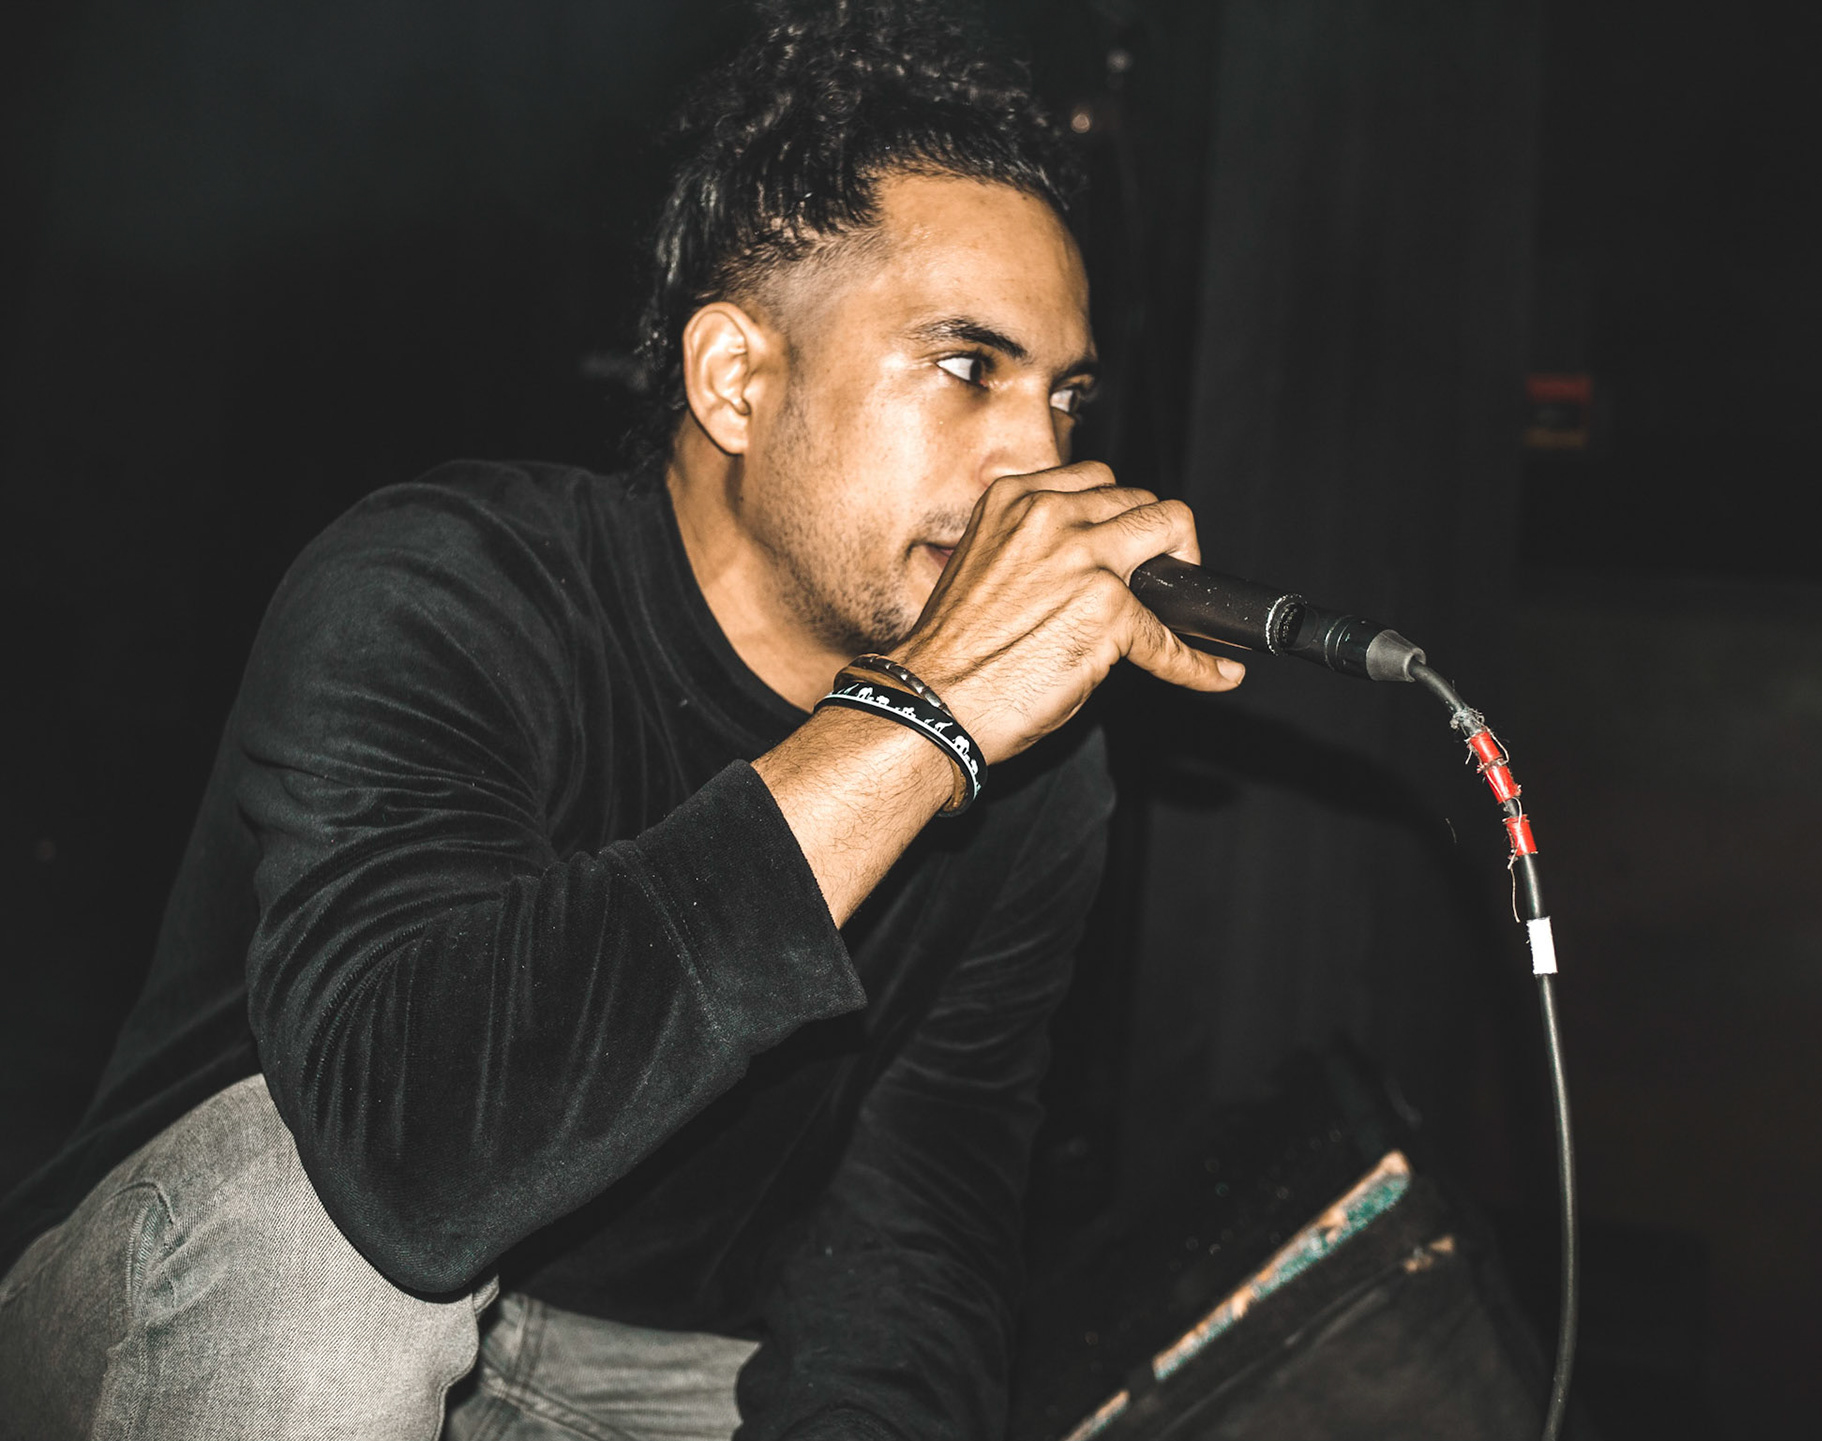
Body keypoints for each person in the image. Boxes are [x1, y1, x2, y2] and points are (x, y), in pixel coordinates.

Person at [0, 2, 1243, 1436]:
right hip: (218, 1297)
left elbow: (913, 1255)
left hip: (648, 1377)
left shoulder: (1041, 780)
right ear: (735, 381)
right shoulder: (440, 590)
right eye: (969, 368)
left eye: (1066, 399)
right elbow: (412, 1163)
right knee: (325, 1255)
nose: (1042, 458)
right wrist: (922, 721)